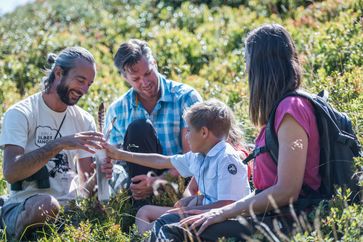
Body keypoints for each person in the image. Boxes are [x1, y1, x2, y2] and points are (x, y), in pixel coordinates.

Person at [150, 23, 321, 241]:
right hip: (268, 215)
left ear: (261, 66)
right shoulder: (280, 111)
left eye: (247, 61)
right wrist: (216, 210)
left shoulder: (291, 110)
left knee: (174, 231)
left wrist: (223, 212)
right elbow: (266, 191)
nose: (246, 69)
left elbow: (287, 190)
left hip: (287, 220)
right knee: (172, 222)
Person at [0, 47, 113, 239]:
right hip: (25, 205)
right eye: (80, 81)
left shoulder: (84, 120)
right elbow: (11, 173)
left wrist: (101, 174)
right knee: (47, 205)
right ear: (59, 72)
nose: (84, 90)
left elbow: (86, 190)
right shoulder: (21, 113)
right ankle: (13, 231)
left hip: (69, 212)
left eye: (89, 84)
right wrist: (59, 144)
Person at [104, 99, 251, 235]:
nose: (187, 136)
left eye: (189, 131)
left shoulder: (227, 159)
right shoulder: (198, 156)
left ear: (204, 132)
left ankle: (151, 236)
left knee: (164, 223)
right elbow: (161, 161)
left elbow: (229, 205)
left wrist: (190, 209)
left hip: (224, 220)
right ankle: (149, 236)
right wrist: (120, 155)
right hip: (203, 214)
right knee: (144, 212)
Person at [104, 39, 202, 203]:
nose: (145, 82)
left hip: (181, 181)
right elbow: (114, 162)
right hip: (137, 184)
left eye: (148, 73)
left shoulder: (186, 97)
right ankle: (141, 208)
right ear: (125, 78)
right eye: (136, 79)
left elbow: (193, 157)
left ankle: (146, 210)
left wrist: (158, 181)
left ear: (154, 64)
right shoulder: (117, 110)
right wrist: (106, 167)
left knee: (139, 127)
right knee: (139, 129)